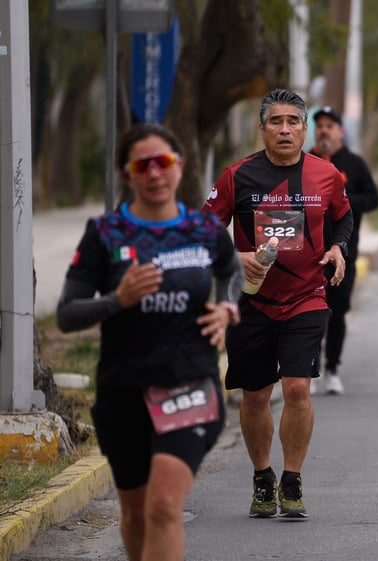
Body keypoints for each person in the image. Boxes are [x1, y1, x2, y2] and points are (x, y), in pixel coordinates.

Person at [57, 123, 243, 561]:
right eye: (143, 165)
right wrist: (118, 300)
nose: (155, 173)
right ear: (128, 173)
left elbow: (232, 272)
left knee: (163, 507)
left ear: (180, 167)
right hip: (124, 389)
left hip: (190, 383)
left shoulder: (203, 228)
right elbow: (67, 313)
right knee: (138, 514)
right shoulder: (106, 233)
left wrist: (228, 307)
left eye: (164, 162)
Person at [203, 89, 352, 520]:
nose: (284, 130)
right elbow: (204, 231)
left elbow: (344, 216)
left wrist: (339, 248)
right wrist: (235, 257)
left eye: (293, 122)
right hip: (251, 303)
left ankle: (292, 479)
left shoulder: (327, 175)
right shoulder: (237, 176)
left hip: (307, 297)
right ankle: (262, 476)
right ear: (262, 129)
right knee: (254, 396)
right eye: (275, 122)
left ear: (306, 130)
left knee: (298, 388)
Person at [309, 106, 378, 395]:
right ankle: (309, 366)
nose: (324, 130)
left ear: (341, 131)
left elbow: (373, 198)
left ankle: (333, 367)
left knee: (337, 312)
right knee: (310, 312)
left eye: (330, 125)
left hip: (344, 251)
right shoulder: (305, 161)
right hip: (308, 254)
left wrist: (342, 200)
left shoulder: (353, 163)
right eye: (320, 125)